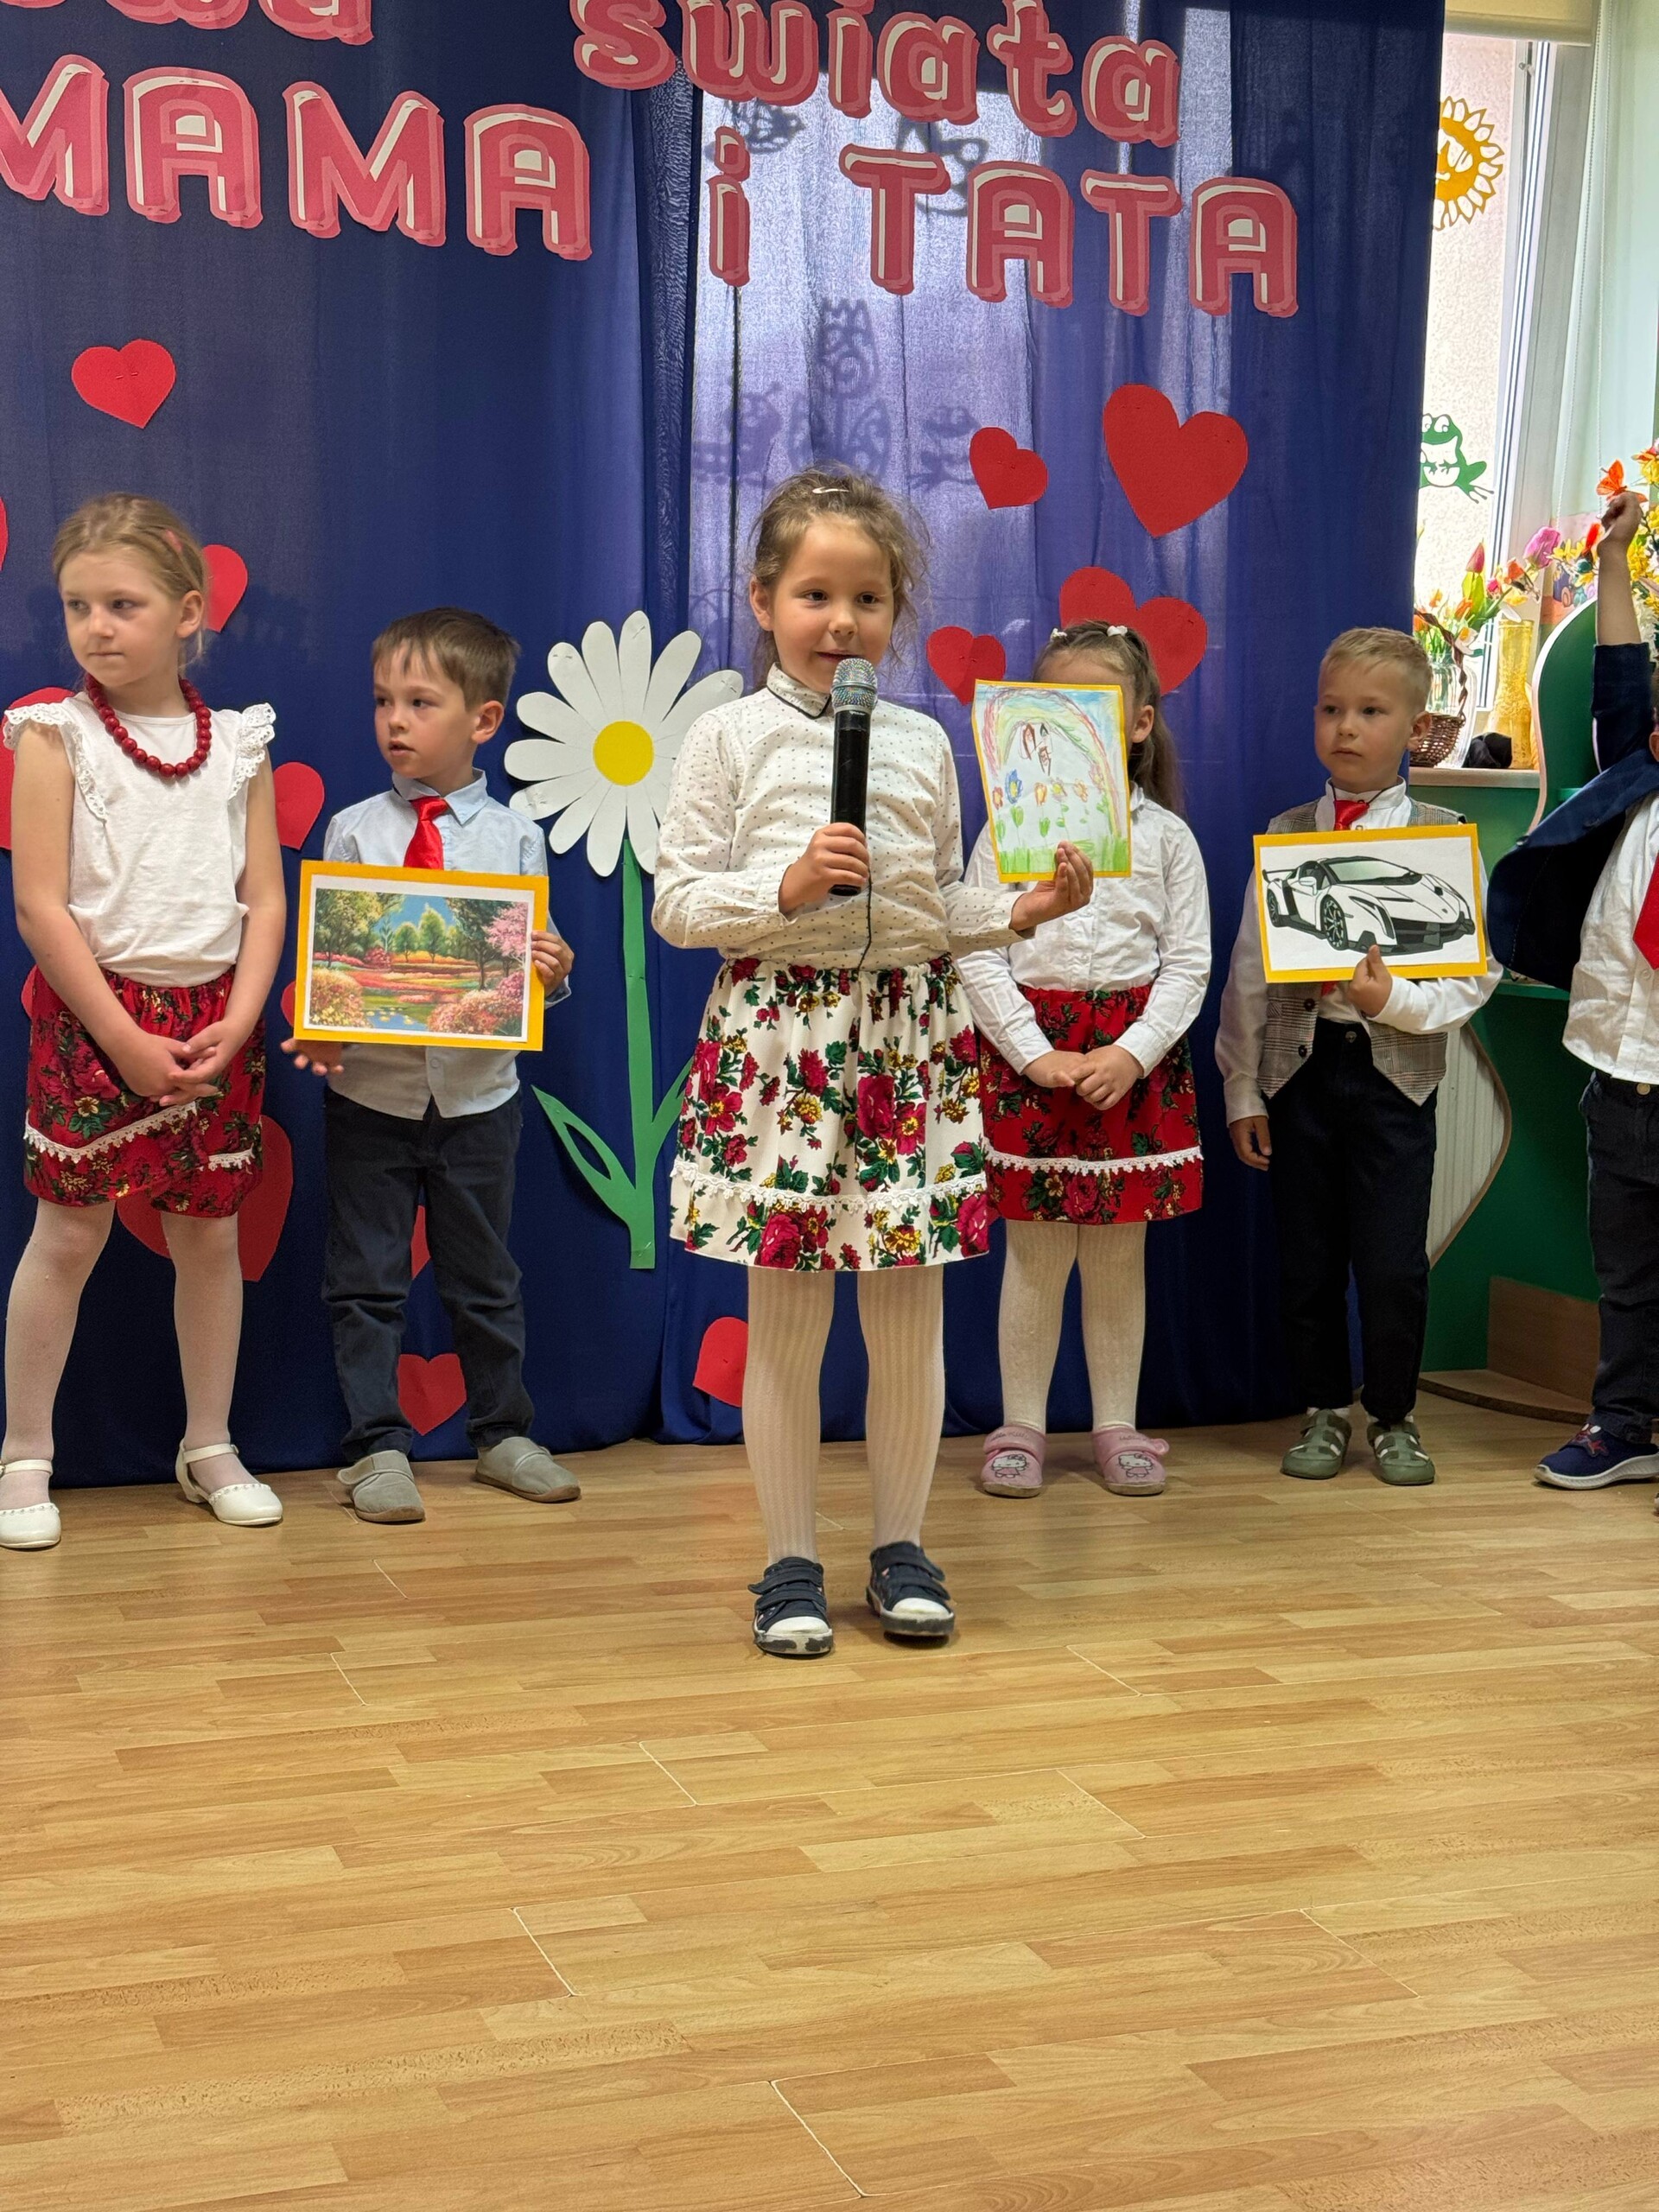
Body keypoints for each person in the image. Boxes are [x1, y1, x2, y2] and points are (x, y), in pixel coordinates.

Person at [653, 468, 1090, 1657]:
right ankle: (788, 1563)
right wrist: (785, 887)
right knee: (788, 1322)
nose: (842, 622)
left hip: (909, 1041)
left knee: (907, 1319)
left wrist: (1021, 911)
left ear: (898, 610)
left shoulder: (922, 741)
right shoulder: (726, 736)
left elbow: (935, 903)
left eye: (869, 599)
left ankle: (903, 1547)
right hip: (782, 1043)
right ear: (763, 600)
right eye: (815, 595)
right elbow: (678, 903)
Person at [0, 495, 285, 1550]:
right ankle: (26, 1450)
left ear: (188, 612)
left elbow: (267, 899)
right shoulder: (53, 736)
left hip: (216, 1024)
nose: (97, 626)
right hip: (96, 1019)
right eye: (78, 605)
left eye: (122, 604)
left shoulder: (241, 744)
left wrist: (242, 1018)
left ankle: (207, 1443)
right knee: (68, 1233)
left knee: (209, 1237)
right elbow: (40, 905)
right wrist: (120, 1036)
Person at [285, 609, 575, 1525]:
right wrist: (323, 1024)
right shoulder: (353, 831)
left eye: (419, 702)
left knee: (485, 1277)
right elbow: (333, 965)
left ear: (482, 720)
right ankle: (375, 1446)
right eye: (383, 702)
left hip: (480, 1098)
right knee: (366, 1277)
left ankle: (504, 1434)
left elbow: (533, 963)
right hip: (370, 1096)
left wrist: (552, 969)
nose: (395, 722)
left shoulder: (516, 837)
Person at [1216, 626, 1501, 1486]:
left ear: (1416, 727)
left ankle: (1394, 1414)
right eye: (1332, 709)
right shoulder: (1287, 833)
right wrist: (1241, 1088)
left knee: (1390, 1263)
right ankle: (1322, 1408)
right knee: (1306, 1258)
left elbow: (1473, 977)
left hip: (1394, 1087)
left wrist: (1394, 1002)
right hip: (1299, 1076)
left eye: (1371, 712)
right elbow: (1249, 969)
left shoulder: (1445, 838)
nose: (1346, 727)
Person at [957, 621, 1211, 1499]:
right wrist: (1035, 1056)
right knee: (1033, 1256)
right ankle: (1019, 1426)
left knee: (1115, 1259)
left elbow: (1188, 964)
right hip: (1032, 1059)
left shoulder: (1168, 840)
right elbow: (976, 949)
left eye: (1096, 706)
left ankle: (1116, 1426)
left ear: (1139, 723)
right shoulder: (1005, 835)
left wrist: (1132, 1055)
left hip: (1129, 1067)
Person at [1488, 487, 1659, 1496]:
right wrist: (1612, 560)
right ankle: (1624, 1422)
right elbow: (1619, 671)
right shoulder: (1637, 776)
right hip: (1620, 1069)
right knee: (1627, 1271)